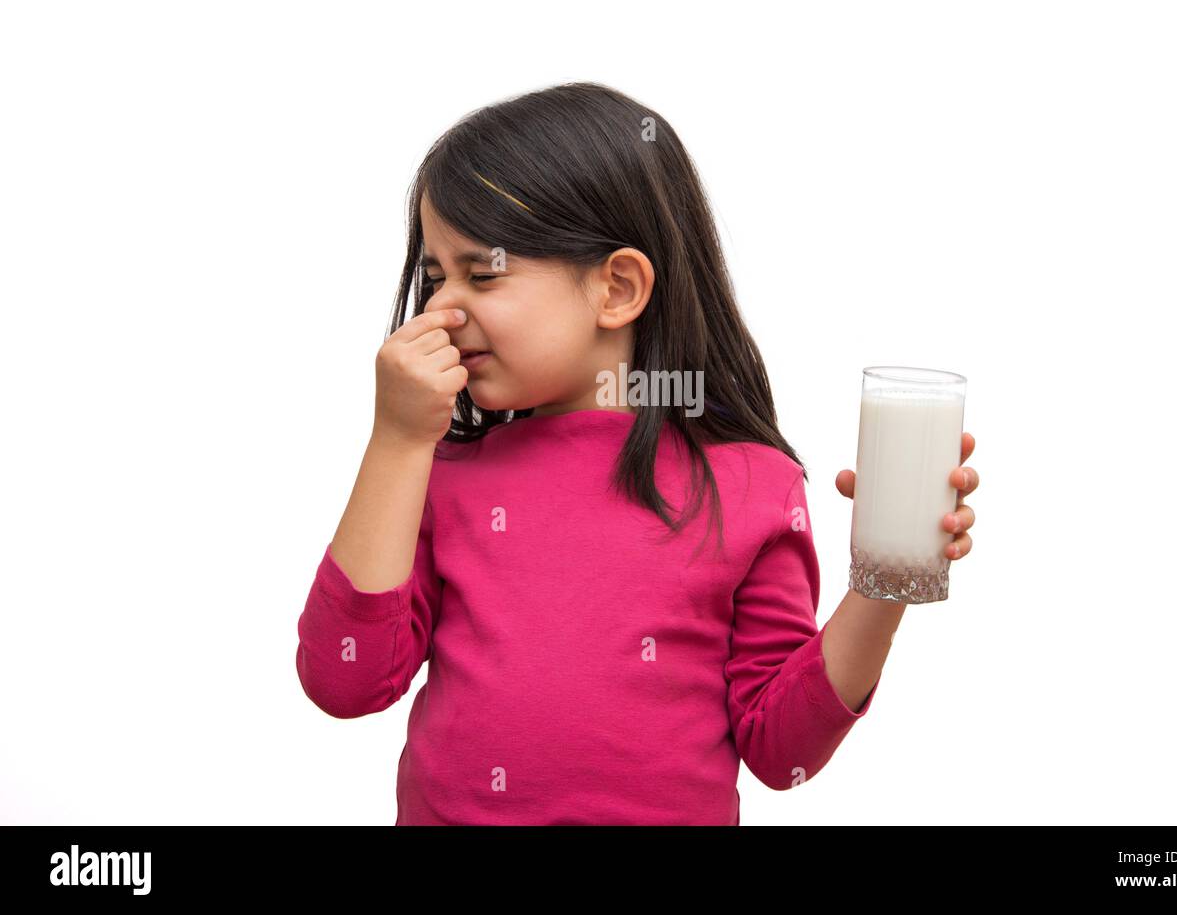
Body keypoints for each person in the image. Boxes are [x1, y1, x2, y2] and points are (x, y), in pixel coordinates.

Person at [294, 81, 980, 824]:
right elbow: (345, 682)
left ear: (617, 288)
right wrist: (396, 442)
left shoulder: (752, 485)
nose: (439, 309)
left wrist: (881, 587)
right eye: (434, 278)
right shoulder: (439, 478)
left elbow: (783, 752)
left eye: (482, 272)